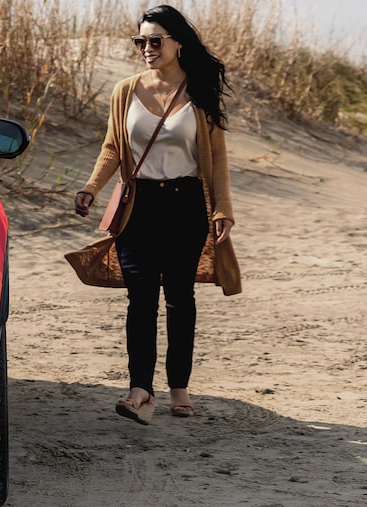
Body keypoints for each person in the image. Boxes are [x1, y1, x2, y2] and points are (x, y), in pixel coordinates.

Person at [72, 4, 242, 426]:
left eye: (155, 40)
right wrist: (91, 188)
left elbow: (217, 160)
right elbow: (113, 147)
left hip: (186, 205)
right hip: (139, 206)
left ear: (177, 43)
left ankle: (179, 387)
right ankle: (139, 389)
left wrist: (222, 209)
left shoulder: (200, 92)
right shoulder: (126, 90)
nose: (146, 48)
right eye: (140, 41)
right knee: (140, 300)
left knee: (180, 298)